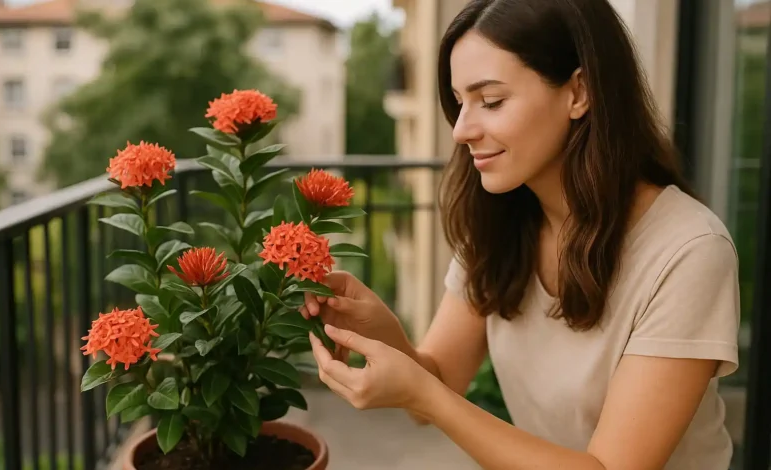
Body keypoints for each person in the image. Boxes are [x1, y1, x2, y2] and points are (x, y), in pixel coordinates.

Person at [301, 0, 740, 468]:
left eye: (491, 101)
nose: (461, 130)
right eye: (459, 102)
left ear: (579, 92)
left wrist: (424, 393)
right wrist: (379, 333)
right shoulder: (502, 221)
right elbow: (434, 388)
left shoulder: (689, 251)